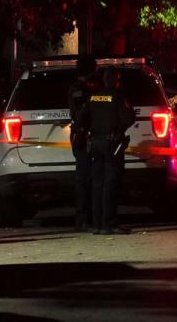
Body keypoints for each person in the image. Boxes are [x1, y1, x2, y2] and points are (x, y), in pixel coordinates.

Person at [77, 68, 136, 235]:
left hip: (95, 143)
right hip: (112, 144)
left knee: (97, 184)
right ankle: (109, 224)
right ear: (116, 80)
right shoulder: (118, 97)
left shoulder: (93, 97)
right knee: (111, 184)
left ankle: (96, 224)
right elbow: (129, 118)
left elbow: (81, 119)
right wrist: (118, 130)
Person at [67, 55, 98, 232]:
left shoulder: (87, 88)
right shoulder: (78, 89)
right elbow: (80, 114)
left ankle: (91, 218)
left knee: (92, 179)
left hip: (90, 137)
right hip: (83, 137)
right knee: (84, 179)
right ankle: (83, 219)